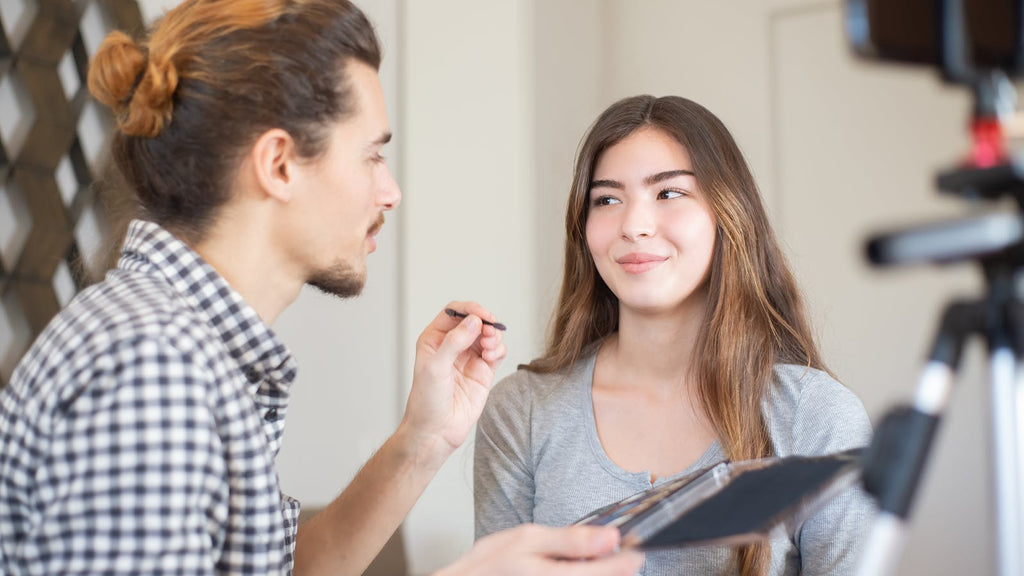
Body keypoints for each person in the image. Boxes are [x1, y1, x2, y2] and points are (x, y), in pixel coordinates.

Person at [0, 2, 646, 575]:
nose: (389, 191)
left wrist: (423, 439)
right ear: (279, 164)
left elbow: (294, 569)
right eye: (370, 155)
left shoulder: (186, 346)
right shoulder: (158, 368)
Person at [474, 95, 875, 576]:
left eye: (668, 193)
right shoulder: (522, 411)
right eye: (607, 199)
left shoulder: (818, 418)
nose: (634, 226)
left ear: (729, 213)